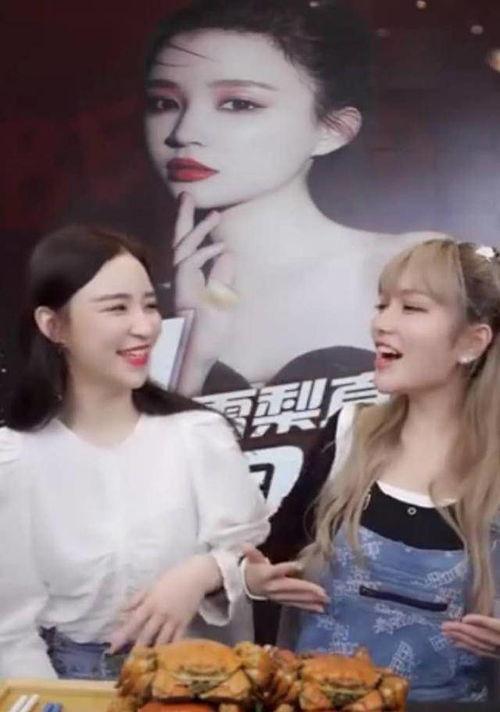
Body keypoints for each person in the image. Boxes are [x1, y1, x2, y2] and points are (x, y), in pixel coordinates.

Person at [0, 224, 272, 680]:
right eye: (117, 308)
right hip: (69, 683)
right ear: (53, 325)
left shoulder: (198, 435)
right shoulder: (15, 458)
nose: (145, 327)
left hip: (193, 678)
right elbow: (10, 632)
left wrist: (203, 571)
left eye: (149, 305)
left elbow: (251, 562)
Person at [244, 238, 500, 701]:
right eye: (382, 305)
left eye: (411, 307)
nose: (382, 323)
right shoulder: (347, 435)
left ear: (472, 341)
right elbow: (271, 554)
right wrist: (255, 581)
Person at [143, 0, 423, 396]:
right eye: (164, 103)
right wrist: (183, 351)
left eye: (239, 104)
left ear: (333, 129)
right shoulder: (136, 300)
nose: (183, 132)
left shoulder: (409, 267)